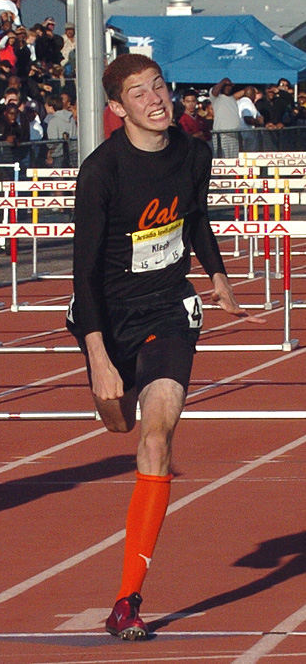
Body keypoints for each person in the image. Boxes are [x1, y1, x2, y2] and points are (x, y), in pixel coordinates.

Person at [66, 53, 264, 641]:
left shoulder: (192, 153)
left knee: (156, 438)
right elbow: (82, 277)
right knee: (118, 425)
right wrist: (98, 358)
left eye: (159, 86)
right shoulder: (101, 173)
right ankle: (113, 392)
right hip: (107, 313)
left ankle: (126, 600)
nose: (155, 99)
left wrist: (218, 276)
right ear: (116, 108)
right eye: (139, 92)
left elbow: (195, 216)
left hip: (168, 309)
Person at [209, 77, 241, 157]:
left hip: (234, 136)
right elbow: (214, 91)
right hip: (222, 136)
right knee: (222, 159)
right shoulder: (216, 98)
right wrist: (224, 81)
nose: (227, 87)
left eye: (229, 85)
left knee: (234, 160)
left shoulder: (233, 99)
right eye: (225, 85)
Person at [237, 85, 264, 152]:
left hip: (239, 134)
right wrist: (258, 121)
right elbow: (247, 119)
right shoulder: (247, 103)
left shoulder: (238, 102)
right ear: (253, 95)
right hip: (246, 135)